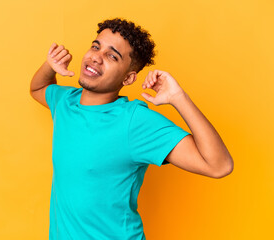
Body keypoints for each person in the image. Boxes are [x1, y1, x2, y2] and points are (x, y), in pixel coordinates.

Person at [30, 18, 233, 240]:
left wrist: (179, 98)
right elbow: (38, 87)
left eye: (112, 56)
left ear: (128, 78)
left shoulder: (134, 121)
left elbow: (219, 165)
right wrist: (50, 65)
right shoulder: (65, 102)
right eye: (96, 46)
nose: (96, 57)